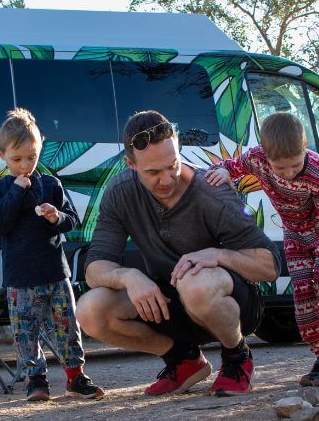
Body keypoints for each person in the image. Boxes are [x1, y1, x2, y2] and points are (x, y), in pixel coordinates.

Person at [76, 110, 280, 397]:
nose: (167, 179)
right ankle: (183, 359)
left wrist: (217, 255)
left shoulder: (211, 190)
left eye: (172, 165)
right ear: (130, 165)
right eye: (153, 172)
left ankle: (237, 356)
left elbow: (270, 265)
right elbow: (94, 266)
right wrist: (130, 277)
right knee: (89, 310)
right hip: (171, 301)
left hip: (230, 302)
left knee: (195, 283)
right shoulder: (120, 192)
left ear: (179, 149)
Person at [205, 112, 319, 386]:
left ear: (304, 150)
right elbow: (235, 165)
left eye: (295, 165)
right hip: (294, 233)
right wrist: (225, 171)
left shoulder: (317, 171)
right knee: (302, 294)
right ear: (266, 155)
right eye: (280, 168)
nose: (288, 173)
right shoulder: (257, 158)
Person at [0, 108, 104, 401]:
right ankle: (36, 379)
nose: (25, 165)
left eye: (32, 157)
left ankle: (75, 377)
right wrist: (16, 191)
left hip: (54, 271)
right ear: (2, 155)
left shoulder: (51, 184)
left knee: (67, 326)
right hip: (20, 276)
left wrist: (56, 217)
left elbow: (72, 219)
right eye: (17, 159)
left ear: (40, 151)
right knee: (26, 331)